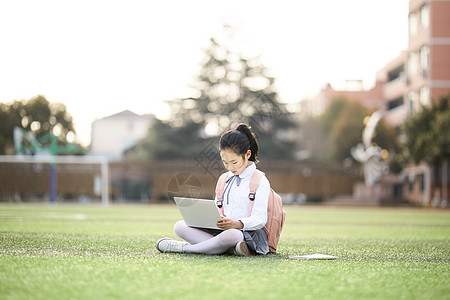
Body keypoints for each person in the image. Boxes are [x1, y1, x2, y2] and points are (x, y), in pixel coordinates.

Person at [156, 123, 271, 256]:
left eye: (234, 162)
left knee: (232, 236)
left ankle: (186, 248)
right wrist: (210, 219)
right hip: (220, 232)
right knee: (179, 227)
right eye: (225, 162)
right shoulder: (224, 178)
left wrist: (237, 223)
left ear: (247, 154)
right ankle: (230, 249)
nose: (229, 167)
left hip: (244, 233)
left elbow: (260, 218)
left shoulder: (260, 180)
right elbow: (218, 208)